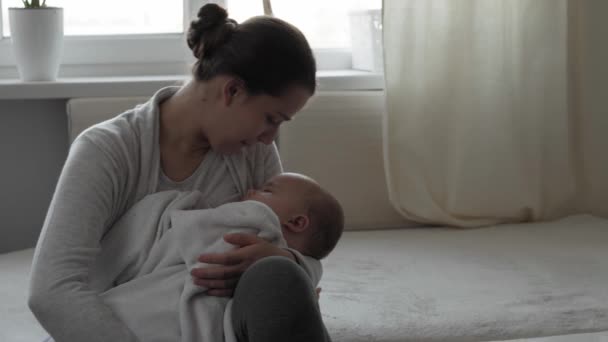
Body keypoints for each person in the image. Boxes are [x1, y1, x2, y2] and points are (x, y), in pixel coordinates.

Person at [28, 3, 331, 341]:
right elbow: (52, 291)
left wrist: (284, 258)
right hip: (126, 327)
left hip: (219, 324)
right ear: (232, 90)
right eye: (271, 119)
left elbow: (299, 254)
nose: (269, 137)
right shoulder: (107, 150)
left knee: (279, 276)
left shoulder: (254, 154)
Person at [90, 172, 344, 342]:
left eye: (265, 190)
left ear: (297, 222)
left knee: (281, 277)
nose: (250, 191)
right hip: (167, 307)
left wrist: (295, 268)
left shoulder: (260, 220)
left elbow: (192, 232)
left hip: (231, 313)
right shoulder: (117, 144)